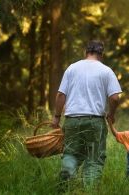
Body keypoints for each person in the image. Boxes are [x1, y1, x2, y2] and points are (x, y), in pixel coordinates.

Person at [51, 40, 122, 187]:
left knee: (71, 154)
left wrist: (57, 117)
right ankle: (89, 190)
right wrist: (111, 114)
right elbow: (115, 97)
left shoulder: (72, 68)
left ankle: (66, 184)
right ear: (101, 54)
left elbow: (60, 95)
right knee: (94, 159)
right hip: (95, 122)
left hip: (72, 121)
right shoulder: (106, 71)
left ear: (86, 52)